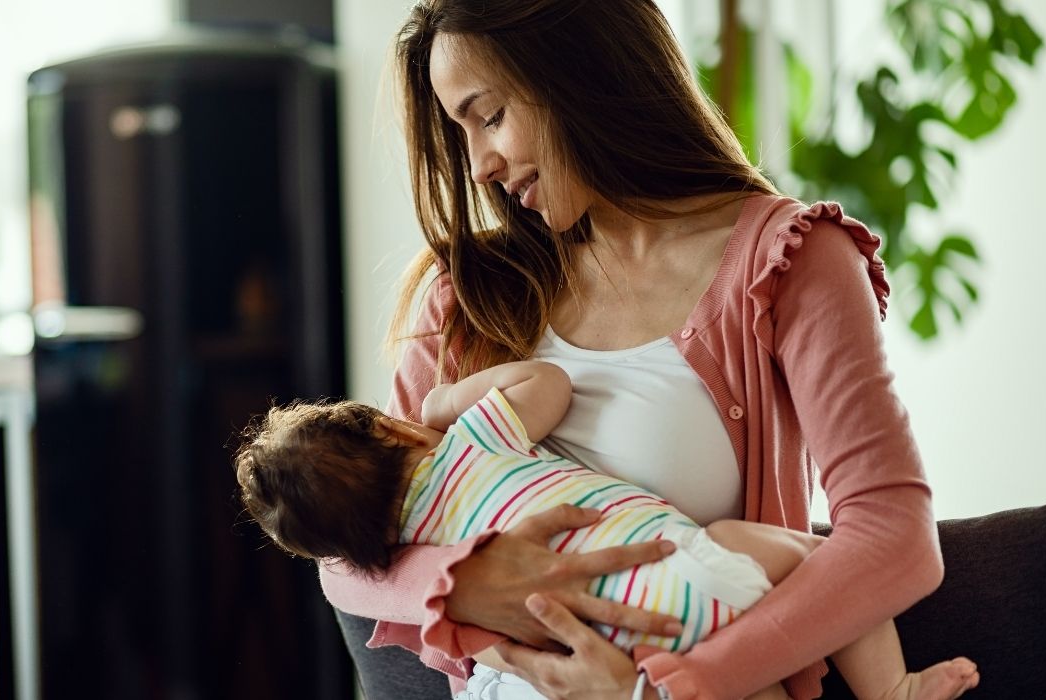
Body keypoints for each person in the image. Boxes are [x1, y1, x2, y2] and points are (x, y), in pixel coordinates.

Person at [321, 1, 954, 698]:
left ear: (579, 70)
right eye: (460, 132)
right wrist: (465, 584)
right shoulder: (467, 296)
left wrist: (664, 689)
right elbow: (343, 554)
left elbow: (894, 538)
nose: (478, 166)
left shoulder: (790, 264)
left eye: (491, 115)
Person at [235, 361, 978, 700]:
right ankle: (893, 690)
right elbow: (548, 387)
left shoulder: (418, 562)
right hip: (685, 572)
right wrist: (449, 398)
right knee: (809, 554)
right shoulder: (469, 440)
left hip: (599, 649)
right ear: (394, 430)